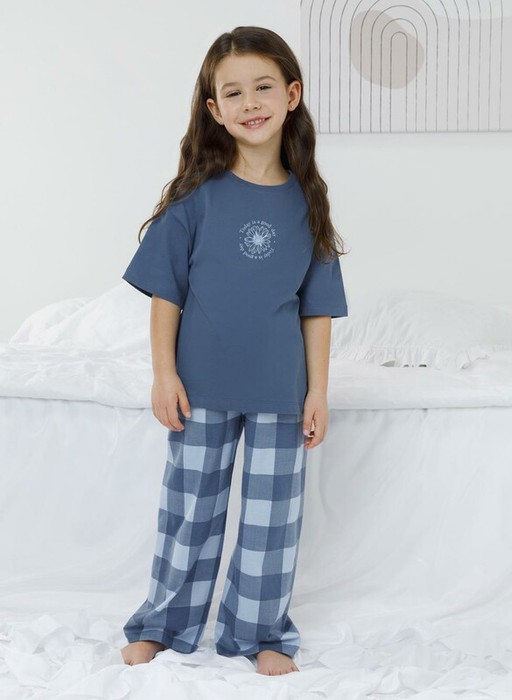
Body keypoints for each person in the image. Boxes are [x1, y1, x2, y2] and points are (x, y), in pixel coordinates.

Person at [119, 25, 349, 676]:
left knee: (271, 525)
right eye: (233, 92)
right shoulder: (194, 198)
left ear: (291, 95)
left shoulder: (309, 202)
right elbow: (166, 294)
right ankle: (164, 625)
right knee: (188, 513)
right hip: (200, 386)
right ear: (214, 109)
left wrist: (317, 390)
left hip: (280, 389)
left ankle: (260, 633)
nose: (250, 102)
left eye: (263, 87)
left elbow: (317, 308)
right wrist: (163, 374)